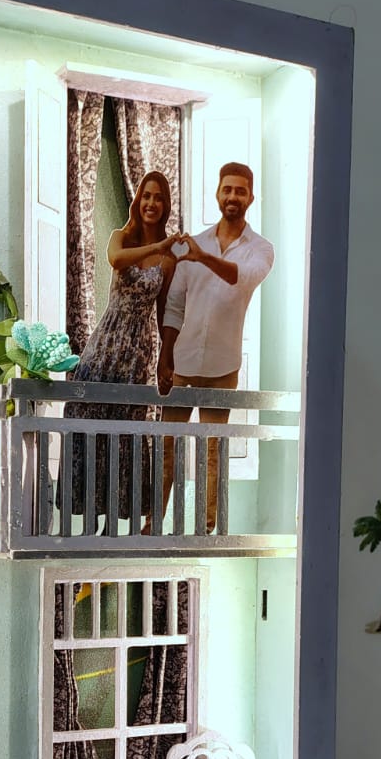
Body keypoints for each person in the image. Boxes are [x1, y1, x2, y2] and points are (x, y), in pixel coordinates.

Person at [157, 162, 275, 533]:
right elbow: (174, 306)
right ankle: (154, 520)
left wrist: (203, 257)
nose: (233, 196)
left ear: (251, 197)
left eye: (240, 190)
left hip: (223, 366)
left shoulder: (260, 249)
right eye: (228, 189)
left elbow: (242, 279)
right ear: (217, 194)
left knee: (213, 449)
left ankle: (206, 526)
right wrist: (165, 357)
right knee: (167, 445)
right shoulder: (196, 243)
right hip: (183, 360)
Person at [67, 170, 180, 523]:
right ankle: (87, 517)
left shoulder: (169, 261)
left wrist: (165, 360)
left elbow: (164, 313)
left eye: (158, 198)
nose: (151, 203)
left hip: (137, 349)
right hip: (106, 341)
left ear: (165, 205)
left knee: (126, 429)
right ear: (138, 200)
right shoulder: (122, 238)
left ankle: (115, 524)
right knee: (85, 415)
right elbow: (116, 260)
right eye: (146, 195)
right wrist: (159, 245)